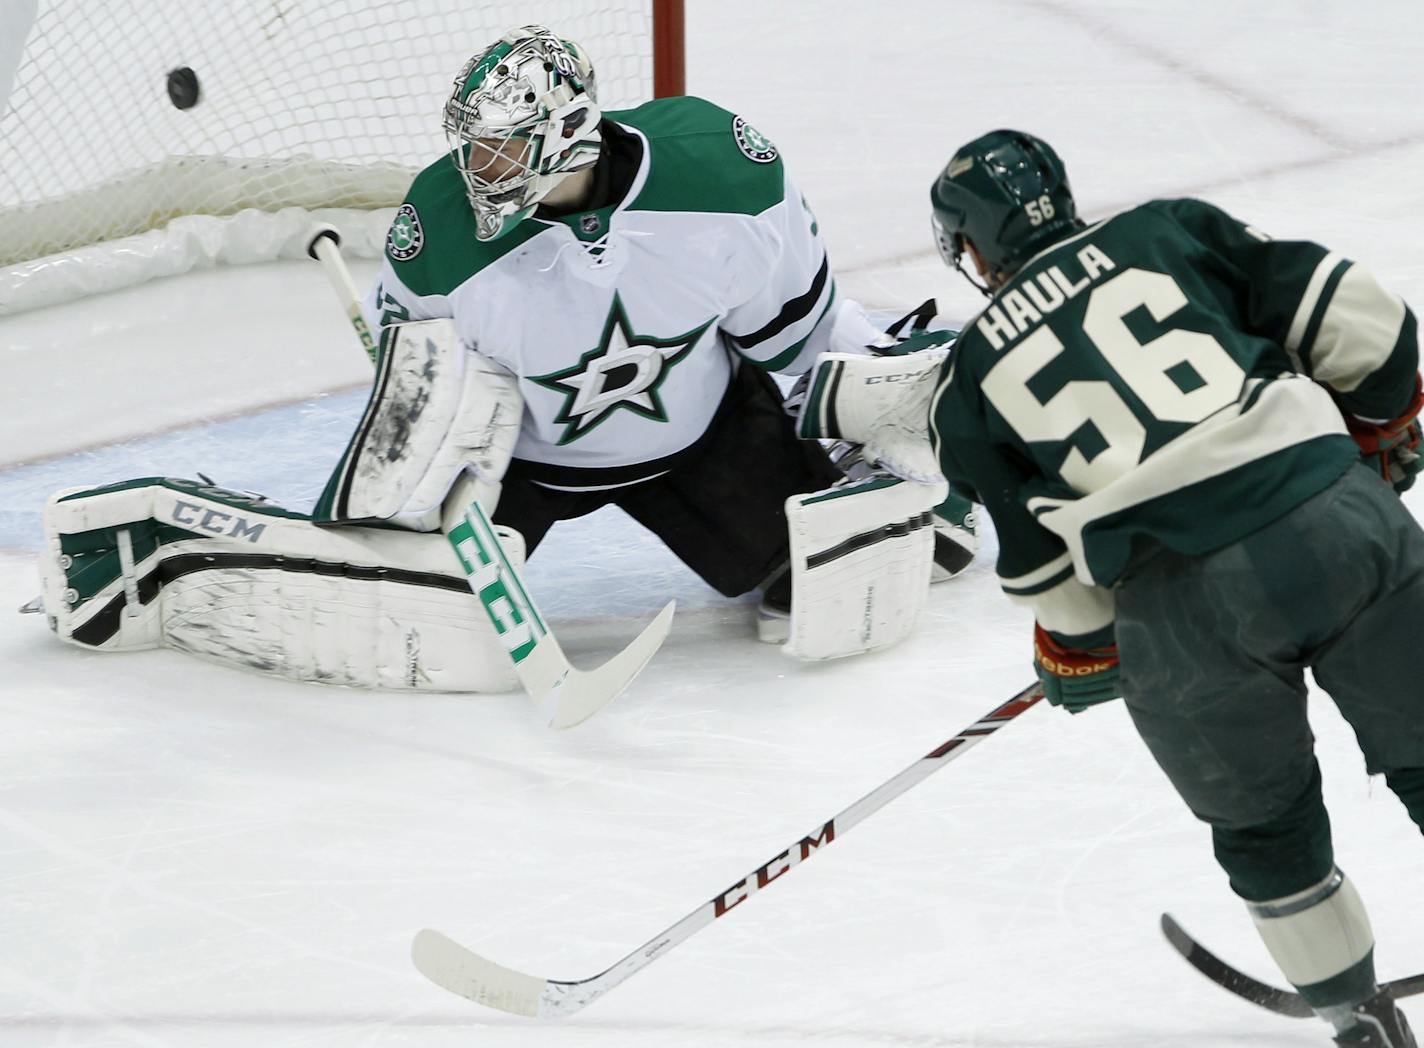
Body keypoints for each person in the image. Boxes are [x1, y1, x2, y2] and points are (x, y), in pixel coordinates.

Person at [924, 130, 1422, 1045]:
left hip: (1184, 609)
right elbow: (1368, 321)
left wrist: (1083, 654)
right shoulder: (1168, 230)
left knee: (1267, 832)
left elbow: (1055, 586)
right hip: (1335, 520)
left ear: (974, 249)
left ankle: (1357, 1019)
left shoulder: (966, 380)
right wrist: (1379, 422)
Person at [354, 24, 977, 643]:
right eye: (471, 148)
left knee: (826, 581)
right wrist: (408, 492)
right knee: (414, 621)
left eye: (499, 149)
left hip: (705, 440)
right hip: (520, 464)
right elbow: (420, 402)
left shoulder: (719, 176)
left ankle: (926, 408)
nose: (476, 171)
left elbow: (796, 332)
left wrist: (890, 404)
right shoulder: (437, 228)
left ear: (566, 131)